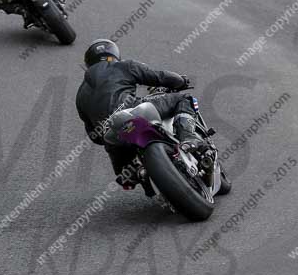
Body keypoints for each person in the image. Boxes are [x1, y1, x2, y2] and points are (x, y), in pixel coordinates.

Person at [75, 38, 205, 188]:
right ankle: (188, 137)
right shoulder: (122, 66)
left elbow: (93, 135)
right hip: (133, 110)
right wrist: (181, 81)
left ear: (89, 62)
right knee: (184, 99)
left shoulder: (80, 94)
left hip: (112, 135)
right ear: (114, 53)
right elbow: (159, 77)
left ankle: (132, 172)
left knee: (124, 169)